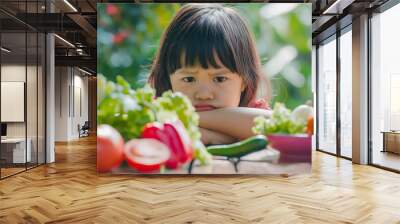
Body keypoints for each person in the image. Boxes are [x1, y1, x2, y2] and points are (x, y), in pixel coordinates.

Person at [148, 3, 271, 145]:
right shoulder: (156, 111)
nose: (203, 94)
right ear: (169, 78)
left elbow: (273, 125)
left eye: (219, 78)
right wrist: (223, 138)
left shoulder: (251, 111)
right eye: (188, 79)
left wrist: (191, 118)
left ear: (244, 80)